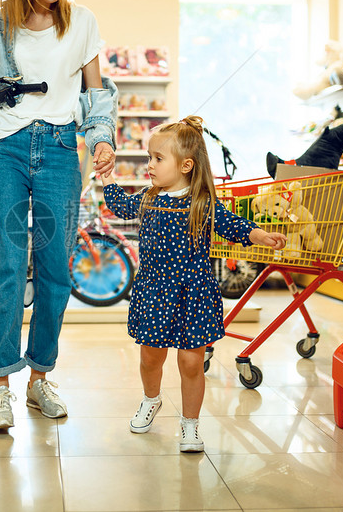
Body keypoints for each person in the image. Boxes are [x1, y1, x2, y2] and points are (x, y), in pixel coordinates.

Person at [0, 0, 118, 430]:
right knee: (6, 265)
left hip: (58, 151)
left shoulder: (82, 20)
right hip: (6, 149)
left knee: (55, 268)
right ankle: (0, 386)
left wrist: (101, 139)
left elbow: (96, 91)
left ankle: (39, 378)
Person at [99, 116, 287, 452]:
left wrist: (262, 236)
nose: (150, 166)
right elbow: (120, 205)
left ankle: (190, 424)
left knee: (191, 362)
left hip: (194, 292)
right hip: (155, 292)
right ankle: (151, 399)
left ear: (186, 165)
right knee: (150, 359)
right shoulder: (148, 197)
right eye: (149, 158)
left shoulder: (202, 203)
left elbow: (235, 226)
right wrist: (108, 179)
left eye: (158, 159)